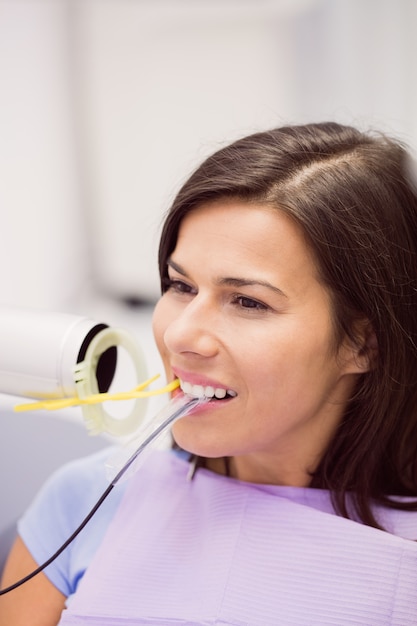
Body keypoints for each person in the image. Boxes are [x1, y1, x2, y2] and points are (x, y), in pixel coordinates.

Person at [2, 121, 417, 625]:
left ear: (363, 342)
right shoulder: (83, 498)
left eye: (247, 301)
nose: (180, 336)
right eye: (181, 286)